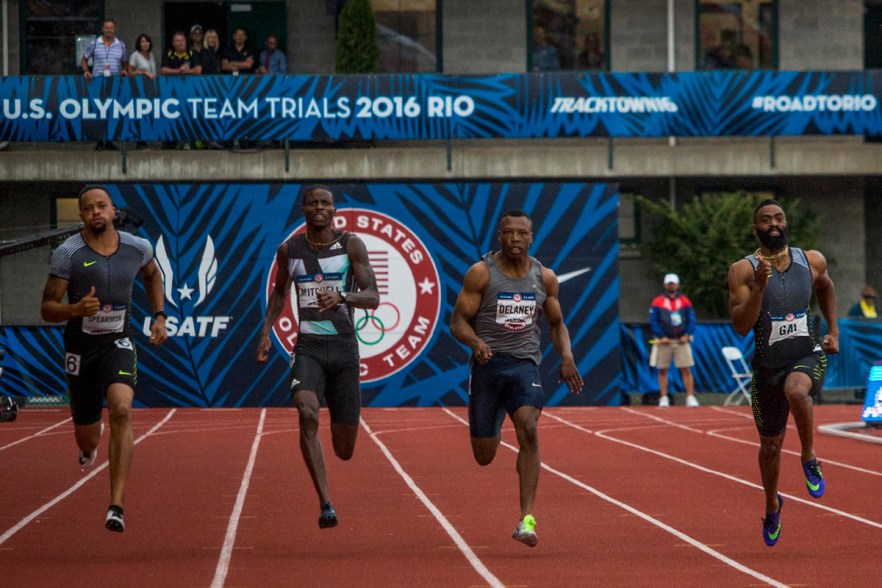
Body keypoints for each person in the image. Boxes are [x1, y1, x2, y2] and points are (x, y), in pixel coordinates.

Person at [449, 209, 583, 548]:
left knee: (530, 427)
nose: (515, 240)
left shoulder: (544, 277)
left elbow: (555, 324)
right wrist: (476, 342)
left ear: (531, 237)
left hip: (524, 364)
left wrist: (566, 357)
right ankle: (492, 423)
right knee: (484, 455)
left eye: (522, 234)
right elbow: (458, 322)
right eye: (509, 233)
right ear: (500, 236)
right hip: (488, 366)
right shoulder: (481, 274)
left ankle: (526, 519)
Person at [40, 185, 168, 532]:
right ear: (81, 216)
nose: (96, 212)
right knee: (88, 437)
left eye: (102, 206)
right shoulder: (68, 253)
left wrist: (159, 315)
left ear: (113, 211)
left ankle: (116, 505)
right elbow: (47, 308)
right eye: (88, 208)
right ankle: (88, 439)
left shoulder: (137, 247)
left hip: (118, 341)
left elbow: (153, 274)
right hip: (81, 349)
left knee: (122, 410)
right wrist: (74, 309)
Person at [256, 185, 379, 529]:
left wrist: (342, 297)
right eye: (313, 203)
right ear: (304, 210)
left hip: (344, 349)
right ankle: (326, 502)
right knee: (307, 411)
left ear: (334, 208)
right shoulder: (289, 250)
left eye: (325, 202)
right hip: (308, 347)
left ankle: (334, 457)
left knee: (344, 449)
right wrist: (266, 331)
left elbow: (372, 297)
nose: (320, 208)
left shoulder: (351, 245)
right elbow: (280, 293)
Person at [728, 198, 838, 547]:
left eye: (778, 218)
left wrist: (833, 329)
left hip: (806, 355)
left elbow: (826, 287)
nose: (773, 224)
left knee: (797, 391)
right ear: (755, 228)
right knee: (770, 447)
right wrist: (760, 287)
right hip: (766, 368)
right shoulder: (742, 271)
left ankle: (808, 455)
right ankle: (772, 503)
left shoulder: (812, 260)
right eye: (765, 220)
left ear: (786, 222)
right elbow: (741, 327)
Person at [648, 273, 699, 408]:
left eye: (673, 283)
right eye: (669, 283)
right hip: (665, 341)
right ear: (665, 285)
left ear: (677, 285)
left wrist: (687, 334)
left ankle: (690, 396)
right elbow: (653, 321)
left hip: (681, 340)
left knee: (686, 368)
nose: (671, 286)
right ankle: (664, 397)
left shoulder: (685, 301)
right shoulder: (657, 301)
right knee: (663, 369)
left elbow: (691, 319)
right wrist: (661, 335)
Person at [81, 19, 127, 151]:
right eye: (107, 28)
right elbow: (84, 59)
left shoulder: (121, 45)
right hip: (98, 82)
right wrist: (86, 71)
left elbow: (125, 62)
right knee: (99, 112)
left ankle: (110, 141)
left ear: (115, 29)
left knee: (112, 112)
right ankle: (100, 141)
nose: (109, 30)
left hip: (114, 83)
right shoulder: (94, 44)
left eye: (111, 28)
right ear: (102, 29)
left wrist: (124, 70)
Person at [160, 31, 202, 150]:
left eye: (182, 40)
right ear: (173, 43)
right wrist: (178, 71)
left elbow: (198, 70)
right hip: (171, 93)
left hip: (190, 92)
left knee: (188, 116)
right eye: (177, 41)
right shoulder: (168, 53)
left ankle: (188, 141)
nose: (180, 43)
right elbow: (163, 70)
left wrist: (186, 71)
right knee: (172, 117)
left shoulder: (192, 52)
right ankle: (173, 143)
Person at [222, 27, 257, 150]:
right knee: (230, 112)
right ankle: (229, 140)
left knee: (245, 112)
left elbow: (249, 65)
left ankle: (245, 140)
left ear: (245, 37)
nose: (240, 37)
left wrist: (232, 63)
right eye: (237, 35)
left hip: (246, 86)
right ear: (234, 36)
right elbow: (224, 66)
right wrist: (241, 64)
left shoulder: (250, 49)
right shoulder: (228, 49)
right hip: (230, 86)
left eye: (242, 35)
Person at [127, 33, 157, 151]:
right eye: (143, 41)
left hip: (150, 89)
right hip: (138, 89)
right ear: (139, 44)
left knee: (148, 114)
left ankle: (146, 139)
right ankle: (140, 142)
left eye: (147, 41)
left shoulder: (151, 55)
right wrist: (143, 73)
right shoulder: (135, 55)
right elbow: (130, 72)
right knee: (140, 114)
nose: (145, 44)